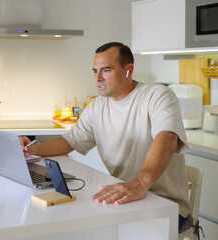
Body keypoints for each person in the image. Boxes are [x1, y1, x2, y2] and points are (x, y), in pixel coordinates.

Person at [21, 42, 190, 233]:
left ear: (128, 70)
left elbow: (167, 139)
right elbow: (70, 141)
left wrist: (140, 183)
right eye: (95, 71)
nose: (98, 78)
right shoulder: (97, 106)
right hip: (121, 196)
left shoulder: (157, 95)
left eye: (106, 70)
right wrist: (32, 149)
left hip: (165, 204)